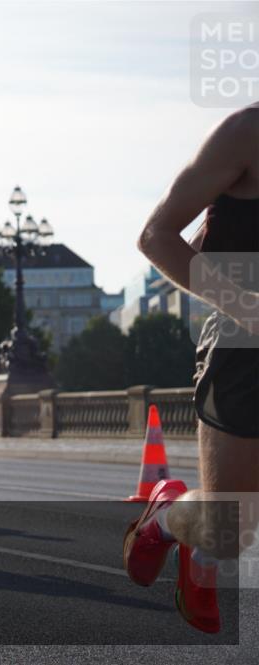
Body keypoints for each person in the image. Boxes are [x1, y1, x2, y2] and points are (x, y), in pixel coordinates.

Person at [125, 103, 258, 633]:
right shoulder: (246, 131)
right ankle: (166, 518)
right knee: (230, 528)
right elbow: (156, 236)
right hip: (244, 344)